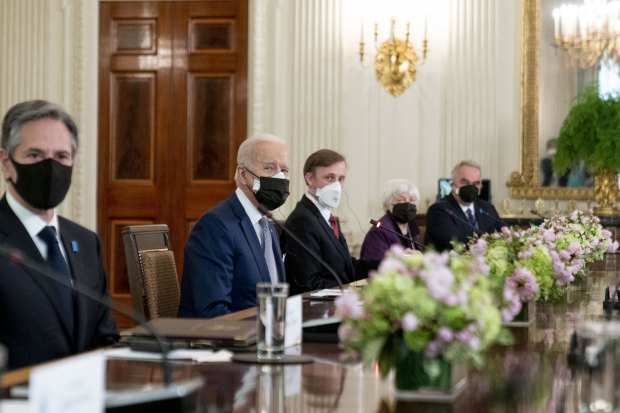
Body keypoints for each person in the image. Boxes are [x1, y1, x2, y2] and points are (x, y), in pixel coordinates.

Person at [0, 100, 118, 370]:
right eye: (35, 155)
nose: (50, 167)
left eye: (61, 156)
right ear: (6, 163)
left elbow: (105, 336)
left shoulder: (87, 243)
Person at [178, 134, 289, 318]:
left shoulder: (268, 226)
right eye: (269, 168)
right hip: (224, 342)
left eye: (284, 170)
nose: (279, 176)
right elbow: (212, 312)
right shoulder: (215, 226)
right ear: (243, 174)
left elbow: (275, 302)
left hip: (268, 340)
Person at [281, 149, 378, 295]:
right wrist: (350, 289)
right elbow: (308, 284)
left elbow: (348, 268)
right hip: (316, 312)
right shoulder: (303, 220)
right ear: (310, 179)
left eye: (341, 179)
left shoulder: (328, 218)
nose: (337, 186)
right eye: (329, 178)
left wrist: (392, 261)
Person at [424, 160, 503, 252]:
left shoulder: (488, 208)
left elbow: (502, 236)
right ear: (453, 185)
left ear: (481, 186)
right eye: (464, 182)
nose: (471, 187)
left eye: (476, 183)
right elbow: (458, 245)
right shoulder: (438, 210)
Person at [360, 179, 422, 260]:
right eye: (401, 200)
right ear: (388, 204)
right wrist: (400, 259)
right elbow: (373, 264)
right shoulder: (379, 231)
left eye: (411, 200)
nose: (407, 204)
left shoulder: (412, 227)